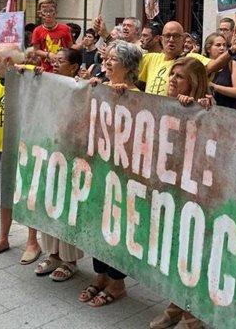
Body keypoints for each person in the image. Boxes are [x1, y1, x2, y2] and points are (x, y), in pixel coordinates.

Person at [78, 40, 143, 308]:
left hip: (123, 174)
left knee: (117, 226)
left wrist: (123, 97)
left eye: (114, 59)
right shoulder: (100, 86)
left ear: (127, 67)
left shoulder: (138, 93)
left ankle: (117, 282)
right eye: (107, 57)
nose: (106, 61)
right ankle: (101, 275)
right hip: (99, 168)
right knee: (97, 222)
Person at [150, 57, 212, 329]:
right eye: (171, 74)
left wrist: (200, 108)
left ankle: (192, 314)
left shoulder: (207, 108)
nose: (172, 80)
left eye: (180, 77)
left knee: (191, 253)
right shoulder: (163, 104)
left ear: (194, 84)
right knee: (173, 249)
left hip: (195, 193)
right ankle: (176, 305)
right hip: (168, 188)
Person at [0, 45, 41, 265]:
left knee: (27, 196)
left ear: (9, 62)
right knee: (5, 197)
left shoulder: (29, 78)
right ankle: (3, 238)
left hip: (22, 150)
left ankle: (32, 241)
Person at [34, 47, 84, 280]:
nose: (54, 63)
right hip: (48, 150)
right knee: (48, 202)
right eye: (53, 60)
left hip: (71, 155)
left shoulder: (81, 89)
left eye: (60, 61)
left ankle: (69, 259)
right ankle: (52, 253)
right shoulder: (47, 83)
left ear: (74, 66)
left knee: (67, 206)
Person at [138, 21, 231, 96]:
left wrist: (232, 50)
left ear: (183, 39)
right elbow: (127, 71)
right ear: (161, 39)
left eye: (175, 36)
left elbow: (214, 66)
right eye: (167, 36)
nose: (171, 39)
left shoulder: (190, 59)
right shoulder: (150, 58)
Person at [203, 33, 236, 109]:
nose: (222, 48)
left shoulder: (231, 64)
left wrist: (214, 87)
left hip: (228, 111)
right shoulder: (202, 64)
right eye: (218, 45)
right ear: (208, 49)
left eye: (224, 45)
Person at [31, 0, 73, 71]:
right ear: (40, 13)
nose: (48, 14)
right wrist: (48, 54)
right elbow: (36, 50)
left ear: (56, 12)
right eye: (45, 11)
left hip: (63, 71)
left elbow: (70, 48)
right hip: (45, 70)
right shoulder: (37, 31)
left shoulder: (65, 29)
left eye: (51, 11)